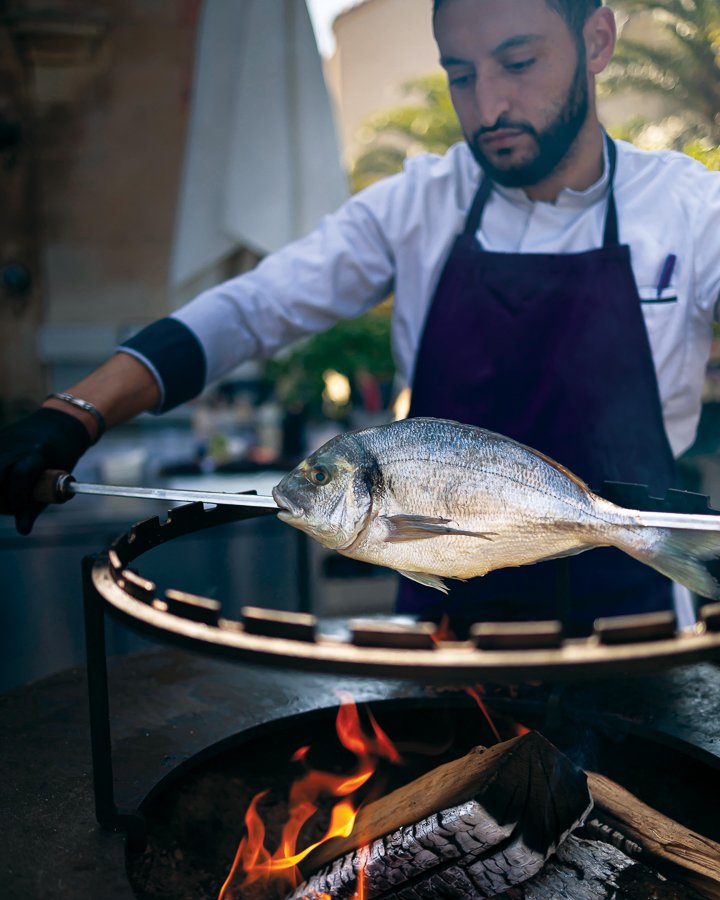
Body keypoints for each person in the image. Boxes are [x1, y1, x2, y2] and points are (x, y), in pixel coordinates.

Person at [2, 0, 719, 633]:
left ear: (597, 41)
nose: (488, 105)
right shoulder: (416, 206)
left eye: (519, 62)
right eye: (460, 74)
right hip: (442, 619)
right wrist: (74, 413)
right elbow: (253, 307)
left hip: (633, 619)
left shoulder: (690, 211)